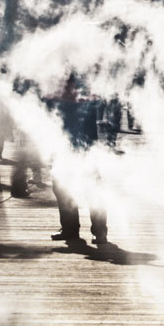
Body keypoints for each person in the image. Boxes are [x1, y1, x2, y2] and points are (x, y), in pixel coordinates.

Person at [50, 76, 109, 249]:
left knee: (91, 185)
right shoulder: (59, 75)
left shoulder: (83, 73)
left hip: (84, 139)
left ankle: (99, 231)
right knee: (61, 184)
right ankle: (71, 228)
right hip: (64, 137)